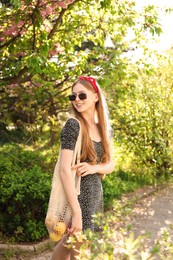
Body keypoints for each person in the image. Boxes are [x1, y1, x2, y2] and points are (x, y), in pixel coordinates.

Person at [50, 76, 114, 260]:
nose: (77, 100)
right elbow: (64, 169)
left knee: (74, 244)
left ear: (95, 97)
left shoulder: (101, 127)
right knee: (79, 247)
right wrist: (76, 211)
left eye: (82, 95)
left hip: (95, 194)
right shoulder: (73, 125)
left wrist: (94, 168)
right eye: (73, 96)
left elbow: (110, 164)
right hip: (79, 197)